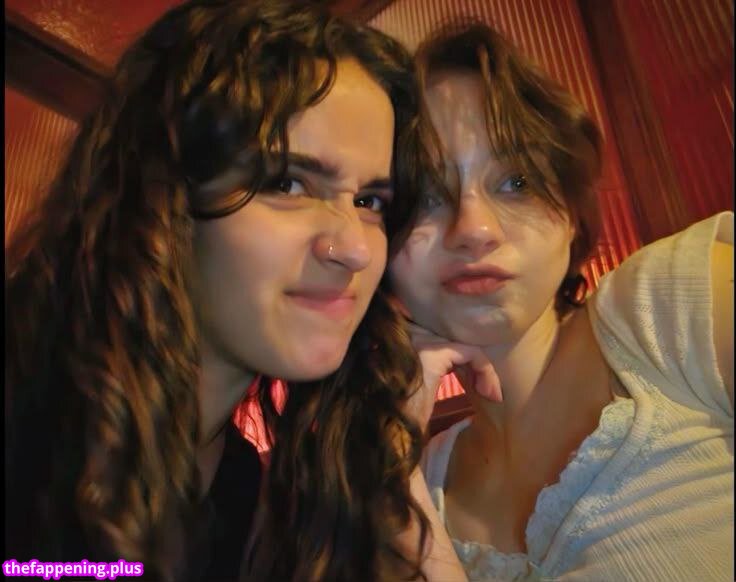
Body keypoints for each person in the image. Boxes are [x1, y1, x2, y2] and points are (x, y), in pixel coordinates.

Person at [5, 2, 465, 581]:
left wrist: (394, 469)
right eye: (288, 183)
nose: (354, 247)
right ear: (165, 195)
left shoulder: (244, 488)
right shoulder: (24, 422)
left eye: (370, 201)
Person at [389, 21, 734, 581]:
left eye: (517, 182)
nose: (474, 229)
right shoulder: (411, 477)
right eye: (426, 195)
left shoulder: (674, 303)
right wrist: (391, 473)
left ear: (571, 216)